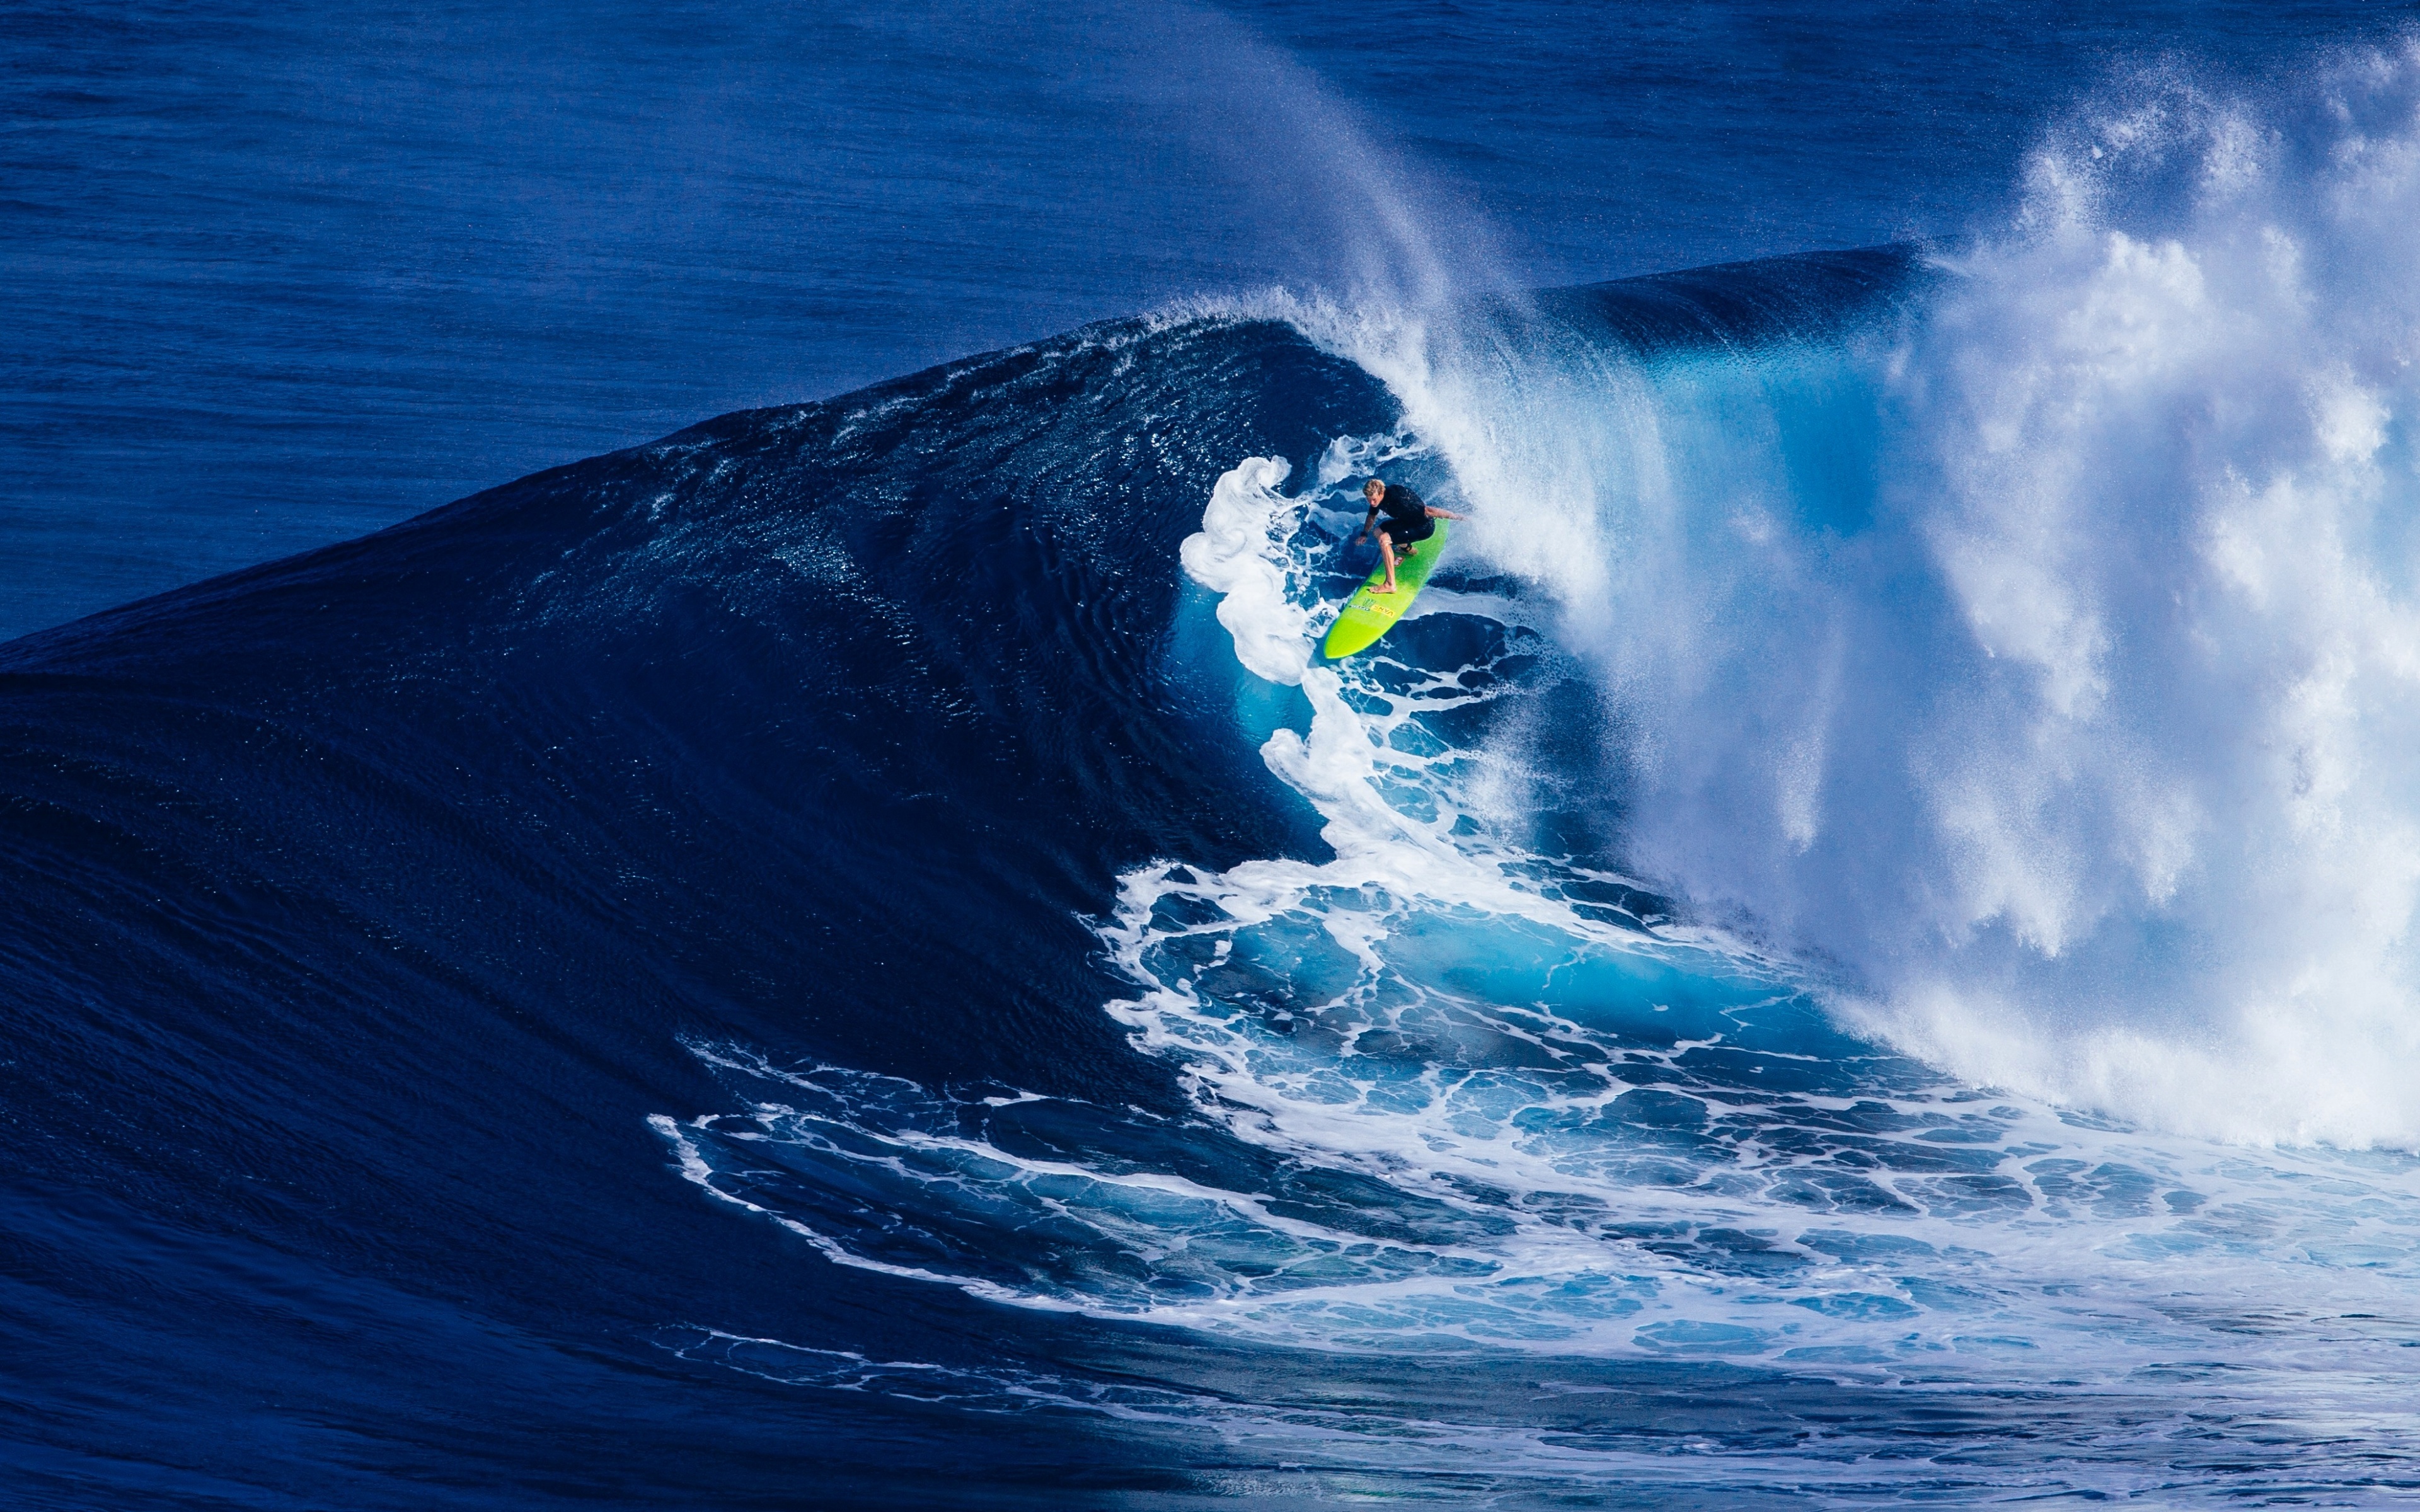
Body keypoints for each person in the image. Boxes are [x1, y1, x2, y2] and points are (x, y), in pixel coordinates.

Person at [1354, 478, 1465, 593]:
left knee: (1384, 540)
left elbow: (1429, 511)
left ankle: (1390, 584)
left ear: (1381, 492)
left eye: (1373, 499)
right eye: (1369, 500)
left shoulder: (1398, 498)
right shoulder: (1376, 498)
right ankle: (1408, 549)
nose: (1372, 503)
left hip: (1423, 527)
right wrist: (1364, 534)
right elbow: (1372, 516)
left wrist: (1457, 517)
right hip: (1406, 522)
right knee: (1377, 532)